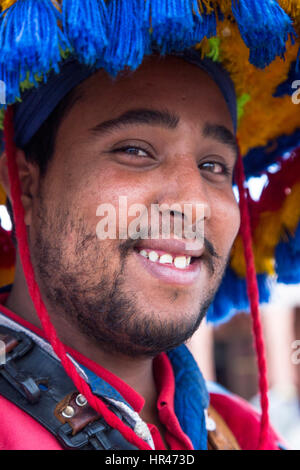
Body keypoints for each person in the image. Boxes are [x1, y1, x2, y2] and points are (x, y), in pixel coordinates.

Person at [0, 0, 299, 450]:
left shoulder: (242, 433)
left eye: (214, 165)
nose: (194, 202)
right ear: (24, 182)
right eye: (136, 151)